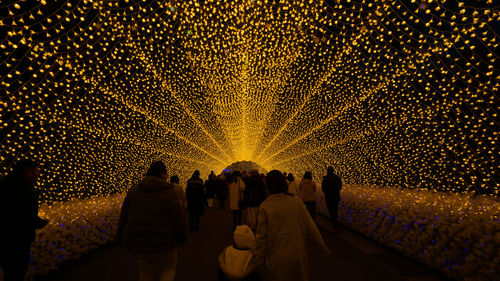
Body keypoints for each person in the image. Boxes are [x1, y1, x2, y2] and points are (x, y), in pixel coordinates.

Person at [253, 170, 331, 281]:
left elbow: (261, 237)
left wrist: (257, 261)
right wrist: (321, 247)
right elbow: (311, 226)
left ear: (268, 186)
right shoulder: (296, 202)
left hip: (278, 257)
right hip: (298, 254)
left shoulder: (265, 207)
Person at [116, 161, 187, 281]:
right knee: (169, 267)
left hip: (140, 241)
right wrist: (182, 237)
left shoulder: (134, 191)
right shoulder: (170, 193)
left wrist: (119, 236)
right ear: (163, 175)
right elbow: (178, 218)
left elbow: (124, 217)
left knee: (145, 273)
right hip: (165, 241)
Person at [0, 160, 49, 281]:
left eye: (36, 170)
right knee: (17, 272)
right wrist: (41, 222)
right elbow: (25, 215)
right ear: (23, 172)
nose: (36, 173)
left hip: (5, 238)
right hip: (17, 238)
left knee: (10, 272)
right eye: (32, 170)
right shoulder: (24, 189)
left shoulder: (7, 184)